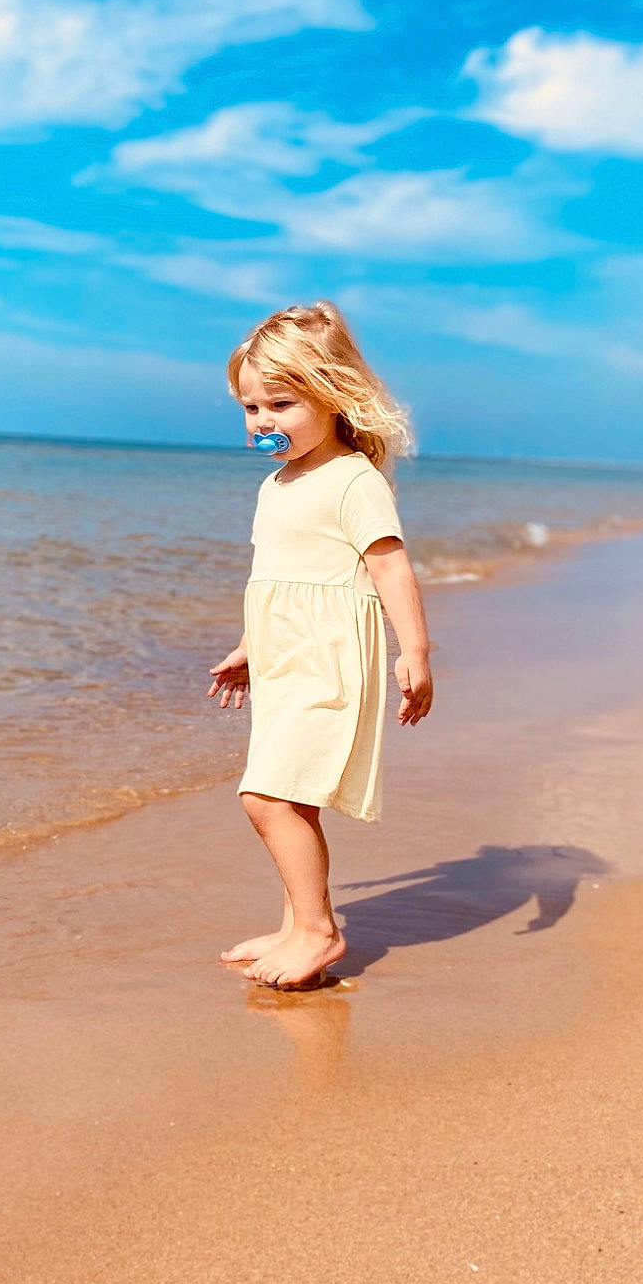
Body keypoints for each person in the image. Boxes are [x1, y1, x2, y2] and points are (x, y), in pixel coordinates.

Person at [205, 302, 435, 989]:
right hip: (284, 656)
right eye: (250, 407)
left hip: (329, 654)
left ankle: (318, 930)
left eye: (280, 402)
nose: (263, 422)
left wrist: (414, 650)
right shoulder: (276, 483)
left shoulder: (352, 480)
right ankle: (295, 921)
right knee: (290, 793)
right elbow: (275, 576)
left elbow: (390, 563)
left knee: (267, 797)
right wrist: (250, 645)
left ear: (332, 396)